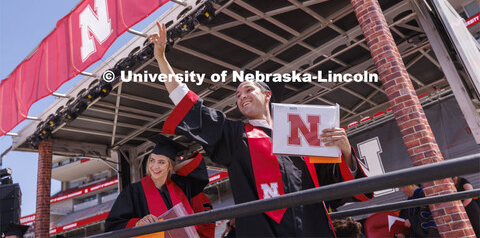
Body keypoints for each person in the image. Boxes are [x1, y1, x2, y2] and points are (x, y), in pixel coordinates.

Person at [149, 22, 372, 237]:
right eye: (237, 95)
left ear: (267, 95)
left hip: (312, 227)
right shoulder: (235, 135)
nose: (241, 96)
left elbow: (333, 183)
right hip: (263, 230)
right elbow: (189, 104)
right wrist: (161, 58)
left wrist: (346, 152)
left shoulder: (303, 134)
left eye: (247, 90)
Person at [105, 134, 208, 232]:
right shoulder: (133, 191)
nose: (154, 166)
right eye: (152, 160)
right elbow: (113, 225)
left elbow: (198, 167)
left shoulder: (180, 186)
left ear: (170, 166)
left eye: (161, 162)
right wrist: (138, 223)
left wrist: (172, 171)